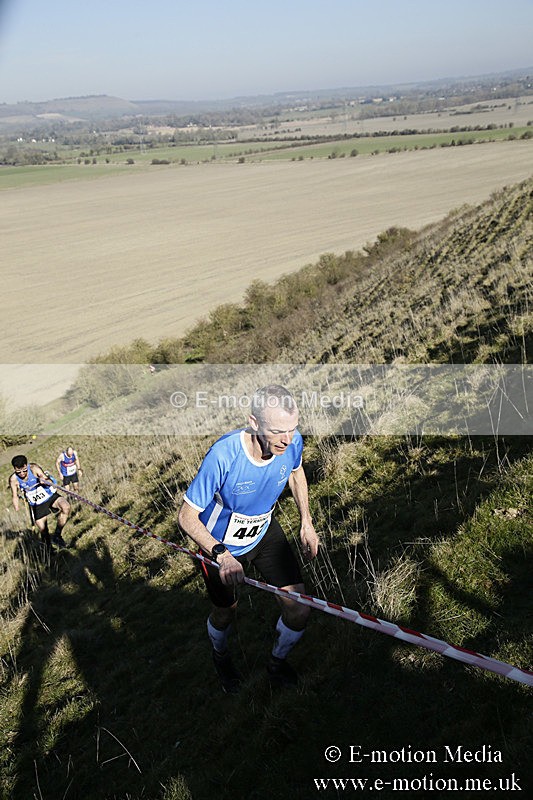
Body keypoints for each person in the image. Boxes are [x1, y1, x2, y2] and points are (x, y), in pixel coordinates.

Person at [178, 384, 320, 693]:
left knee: (299, 609)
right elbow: (186, 517)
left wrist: (306, 522)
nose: (288, 439)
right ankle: (221, 656)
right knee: (225, 612)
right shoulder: (224, 455)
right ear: (253, 422)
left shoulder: (292, 442)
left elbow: (296, 473)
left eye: (293, 429)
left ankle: (276, 664)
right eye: (278, 431)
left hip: (264, 532)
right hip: (220, 546)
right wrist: (221, 554)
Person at [9, 455, 71, 549]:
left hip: (48, 495)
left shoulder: (34, 468)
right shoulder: (13, 479)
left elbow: (47, 479)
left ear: (27, 465)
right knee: (43, 529)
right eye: (18, 471)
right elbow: (14, 495)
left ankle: (57, 536)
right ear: (14, 469)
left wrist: (44, 480)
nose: (22, 473)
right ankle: (49, 550)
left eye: (24, 470)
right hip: (36, 503)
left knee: (66, 507)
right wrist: (16, 506)